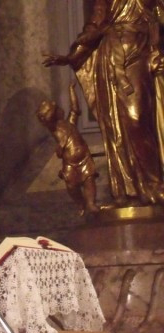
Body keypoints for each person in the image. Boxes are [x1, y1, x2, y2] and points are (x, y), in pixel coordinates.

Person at [43, 0, 164, 206]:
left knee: (141, 118)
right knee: (128, 121)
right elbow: (96, 21)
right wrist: (72, 56)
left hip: (143, 50)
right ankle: (141, 187)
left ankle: (154, 183)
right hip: (116, 55)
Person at [36, 83, 100, 215]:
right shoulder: (54, 128)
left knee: (89, 180)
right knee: (71, 186)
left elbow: (75, 109)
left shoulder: (70, 122)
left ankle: (91, 203)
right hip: (70, 163)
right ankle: (81, 203)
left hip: (84, 158)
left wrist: (71, 90)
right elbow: (47, 117)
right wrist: (49, 106)